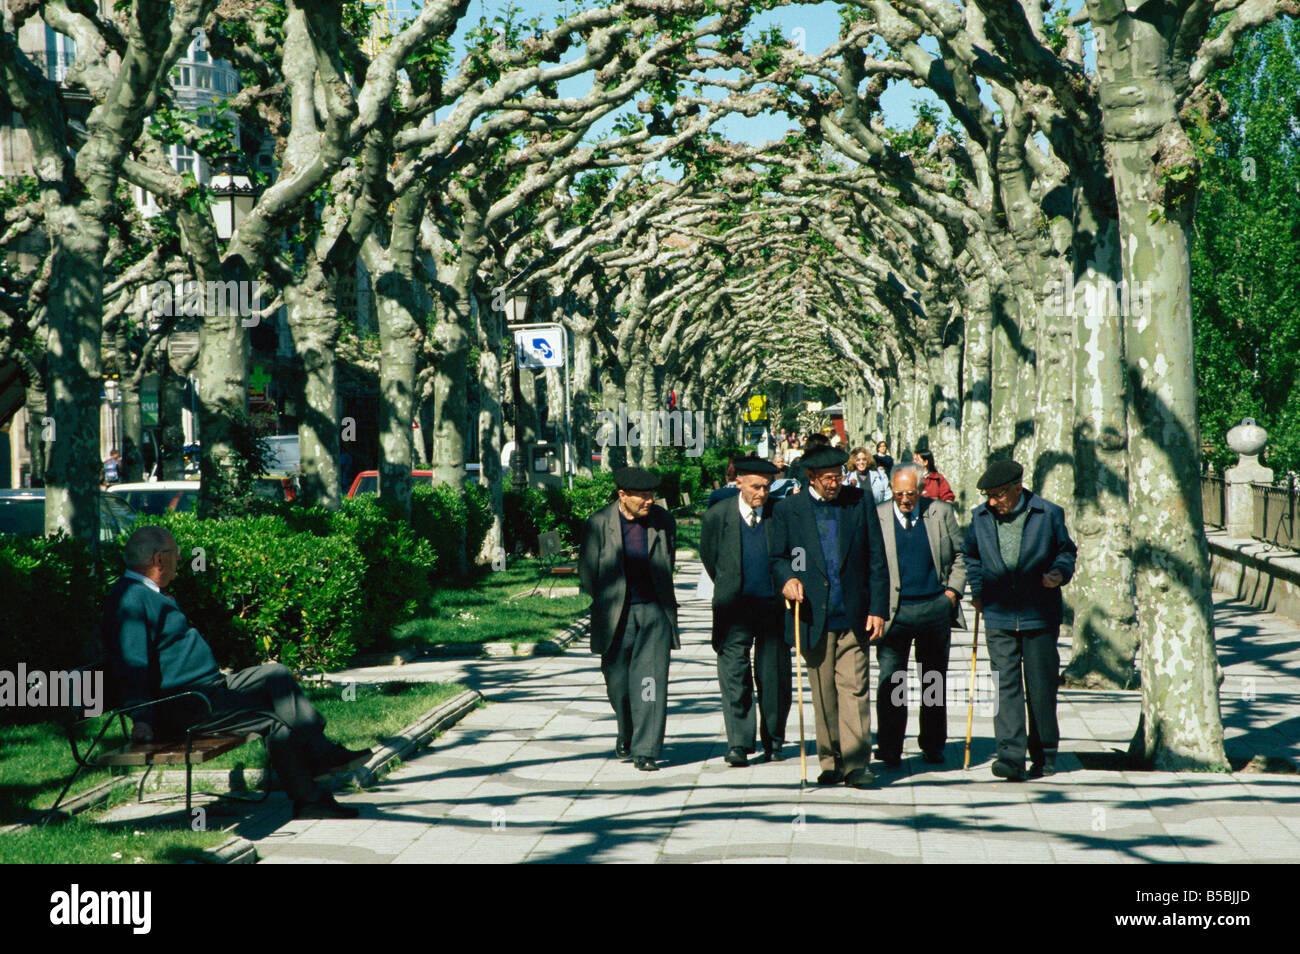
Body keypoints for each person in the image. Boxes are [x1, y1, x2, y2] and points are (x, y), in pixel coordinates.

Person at [101, 527, 372, 819]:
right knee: (276, 717)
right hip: (187, 705)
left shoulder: (149, 593)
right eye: (176, 554)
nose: (180, 559)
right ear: (158, 560)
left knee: (276, 674)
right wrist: (142, 720)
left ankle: (321, 754)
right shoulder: (130, 599)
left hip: (210, 688)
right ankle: (312, 794)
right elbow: (132, 665)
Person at [769, 446, 890, 788]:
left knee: (854, 689)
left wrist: (878, 608)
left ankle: (855, 764)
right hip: (811, 614)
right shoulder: (789, 509)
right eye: (827, 479)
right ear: (810, 478)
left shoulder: (858, 500)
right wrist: (787, 579)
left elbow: (877, 558)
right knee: (822, 691)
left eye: (838, 476)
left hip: (853, 613)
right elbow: (778, 557)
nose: (835, 483)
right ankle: (830, 760)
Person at [963, 460, 1077, 781]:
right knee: (1004, 685)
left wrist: (1059, 573)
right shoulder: (980, 518)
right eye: (988, 495)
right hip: (998, 612)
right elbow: (970, 554)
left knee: (1040, 686)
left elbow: (1066, 551)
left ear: (1017, 489)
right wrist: (978, 587)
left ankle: (1045, 753)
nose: (992, 502)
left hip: (1038, 613)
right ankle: (1010, 756)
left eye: (998, 495)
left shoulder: (1048, 513)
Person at [578, 466, 679, 771]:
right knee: (618, 684)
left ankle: (646, 750)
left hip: (653, 612)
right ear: (623, 495)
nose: (650, 500)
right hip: (614, 615)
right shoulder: (598, 523)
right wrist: (608, 601)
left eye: (652, 494)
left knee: (650, 682)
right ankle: (627, 728)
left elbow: (668, 561)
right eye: (643, 496)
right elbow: (587, 573)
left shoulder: (663, 522)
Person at [873, 464, 966, 767]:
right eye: (897, 493)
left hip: (934, 608)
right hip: (894, 613)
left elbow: (961, 555)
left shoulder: (940, 511)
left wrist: (952, 593)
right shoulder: (878, 515)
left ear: (921, 489)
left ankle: (933, 744)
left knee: (933, 680)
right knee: (892, 682)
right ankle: (889, 747)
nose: (904, 499)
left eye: (910, 494)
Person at [700, 456, 790, 767]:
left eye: (767, 487)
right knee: (735, 677)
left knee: (774, 676)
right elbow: (710, 557)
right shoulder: (718, 515)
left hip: (772, 609)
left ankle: (775, 741)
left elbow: (794, 554)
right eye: (756, 487)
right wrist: (729, 584)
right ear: (738, 482)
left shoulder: (781, 513)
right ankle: (738, 743)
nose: (762, 493)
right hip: (733, 609)